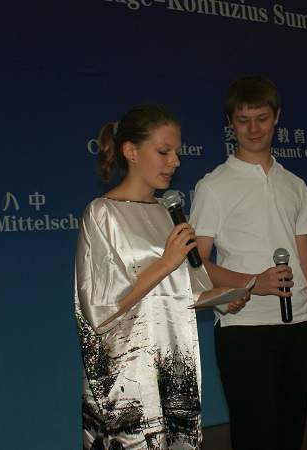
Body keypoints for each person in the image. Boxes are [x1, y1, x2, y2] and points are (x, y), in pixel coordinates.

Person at [189, 76, 307, 450]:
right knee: (254, 435)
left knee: (291, 431)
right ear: (230, 123)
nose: (253, 128)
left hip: (298, 327)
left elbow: (306, 259)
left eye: (261, 118)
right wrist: (251, 283)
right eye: (243, 120)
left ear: (277, 117)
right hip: (243, 329)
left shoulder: (295, 184)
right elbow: (196, 263)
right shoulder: (213, 185)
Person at [74, 104, 216, 449]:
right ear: (131, 151)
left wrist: (228, 296)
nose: (175, 162)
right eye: (164, 152)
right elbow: (100, 310)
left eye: (177, 153)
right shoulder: (102, 213)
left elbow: (187, 292)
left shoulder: (167, 213)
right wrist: (165, 263)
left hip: (174, 369)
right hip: (126, 380)